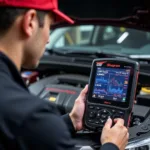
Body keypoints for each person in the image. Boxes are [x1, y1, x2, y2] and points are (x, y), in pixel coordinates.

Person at [0, 0, 129, 150]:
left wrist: (72, 120)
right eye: (50, 26)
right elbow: (30, 126)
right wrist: (112, 145)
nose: (48, 39)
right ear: (30, 22)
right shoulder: (30, 115)